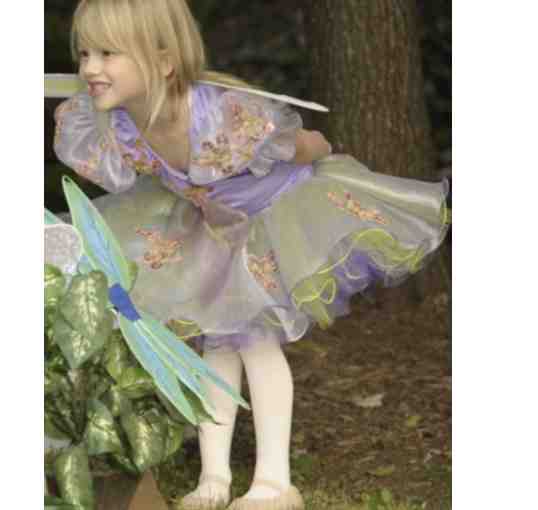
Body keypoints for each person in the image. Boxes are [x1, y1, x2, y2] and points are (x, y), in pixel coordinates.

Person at [53, 1, 450, 508]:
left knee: (256, 341)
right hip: (210, 222)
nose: (89, 68)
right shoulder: (121, 125)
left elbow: (303, 145)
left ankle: (275, 482)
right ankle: (214, 477)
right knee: (217, 343)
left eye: (108, 54)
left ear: (164, 62)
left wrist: (316, 146)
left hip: (274, 213)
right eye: (85, 53)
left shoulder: (218, 114)